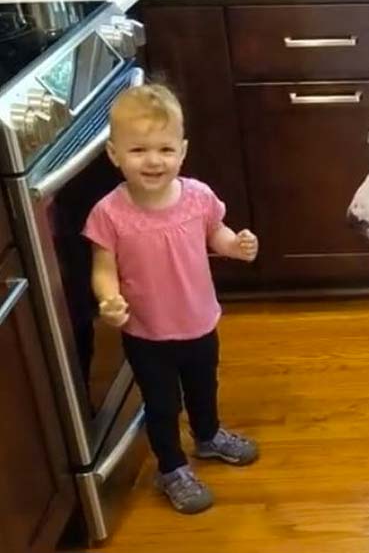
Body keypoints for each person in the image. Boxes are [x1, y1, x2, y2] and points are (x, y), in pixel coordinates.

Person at [84, 83, 259, 514]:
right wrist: (109, 301)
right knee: (161, 403)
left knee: (204, 385)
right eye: (139, 149)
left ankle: (208, 435)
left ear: (182, 151)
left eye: (164, 149)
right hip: (147, 333)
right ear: (114, 154)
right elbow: (103, 269)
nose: (153, 160)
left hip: (200, 320)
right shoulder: (108, 213)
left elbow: (214, 233)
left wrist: (233, 245)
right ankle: (171, 467)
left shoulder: (198, 196)